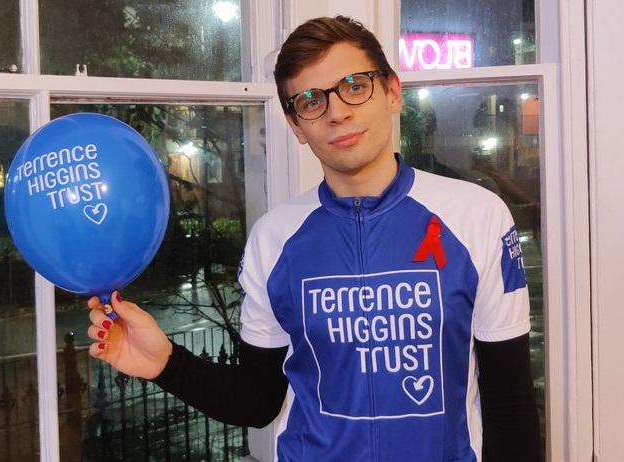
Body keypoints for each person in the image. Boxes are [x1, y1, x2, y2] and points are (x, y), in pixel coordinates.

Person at [87, 15, 542, 462]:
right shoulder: (274, 238)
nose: (338, 112)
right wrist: (165, 361)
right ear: (296, 126)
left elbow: (511, 409)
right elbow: (258, 400)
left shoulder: (476, 216)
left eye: (355, 86)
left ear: (392, 92)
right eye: (311, 100)